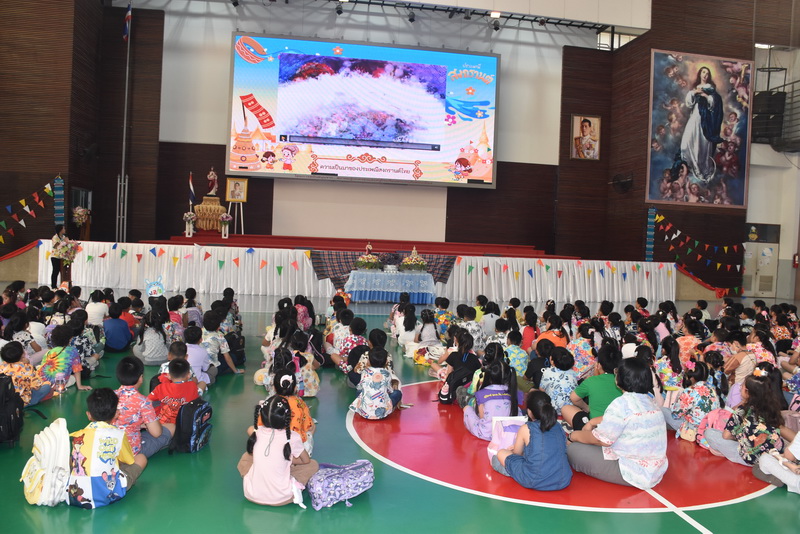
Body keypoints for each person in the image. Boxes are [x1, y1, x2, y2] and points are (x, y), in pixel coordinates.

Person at [567, 358, 668, 489]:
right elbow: (622, 418)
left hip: (632, 471)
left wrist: (573, 436)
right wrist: (592, 422)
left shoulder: (621, 403)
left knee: (574, 449)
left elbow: (600, 440)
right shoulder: (650, 400)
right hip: (656, 469)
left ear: (620, 379)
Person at [67, 388, 148, 509]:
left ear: (88, 415)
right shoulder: (119, 434)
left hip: (75, 494)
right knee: (141, 458)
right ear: (116, 414)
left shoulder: (78, 435)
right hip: (108, 494)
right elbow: (129, 461)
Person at [238, 395, 319, 507]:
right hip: (282, 498)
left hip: (251, 494)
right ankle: (294, 486)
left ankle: (258, 480)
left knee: (246, 457)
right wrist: (288, 459)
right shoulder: (293, 436)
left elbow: (250, 429)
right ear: (288, 418)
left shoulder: (257, 432)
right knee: (313, 465)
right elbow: (306, 460)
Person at [492, 390, 572, 491]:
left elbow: (516, 454)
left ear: (529, 412)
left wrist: (514, 449)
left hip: (534, 480)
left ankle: (511, 472)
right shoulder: (558, 426)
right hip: (563, 479)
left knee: (500, 454)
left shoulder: (526, 428)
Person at [705, 368, 785, 466]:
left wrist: (739, 437)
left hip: (752, 458)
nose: (740, 388)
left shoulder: (742, 410)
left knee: (710, 433)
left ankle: (727, 453)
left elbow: (726, 436)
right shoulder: (773, 407)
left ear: (747, 392)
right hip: (773, 452)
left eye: (742, 386)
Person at [114, 357, 168, 458]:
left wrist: (139, 425)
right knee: (171, 428)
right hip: (131, 451)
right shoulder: (143, 401)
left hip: (110, 448)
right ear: (140, 378)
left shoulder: (110, 396)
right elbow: (156, 433)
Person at [561, 343, 622, 430]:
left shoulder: (591, 381)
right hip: (620, 426)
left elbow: (573, 398)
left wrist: (587, 408)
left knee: (566, 408)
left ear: (599, 365)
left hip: (595, 428)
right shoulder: (624, 380)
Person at [680, 65, 724, 183]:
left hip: (706, 119)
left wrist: (706, 96)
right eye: (703, 72)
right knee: (687, 143)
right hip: (695, 116)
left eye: (707, 73)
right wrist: (694, 92)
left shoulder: (710, 88)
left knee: (703, 144)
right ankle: (693, 165)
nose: (705, 75)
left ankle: (702, 169)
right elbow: (689, 103)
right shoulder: (696, 88)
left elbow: (715, 102)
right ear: (700, 74)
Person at [662, 359, 721, 442]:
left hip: (692, 429)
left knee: (663, 410)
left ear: (692, 378)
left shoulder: (690, 391)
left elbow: (676, 414)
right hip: (707, 427)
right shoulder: (712, 390)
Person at [461, 358, 518, 441]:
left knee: (467, 408)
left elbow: (481, 416)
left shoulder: (482, 393)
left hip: (486, 434)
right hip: (508, 433)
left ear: (489, 376)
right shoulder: (513, 392)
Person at [147, 358, 200, 435]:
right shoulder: (193, 386)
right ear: (189, 375)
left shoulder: (161, 388)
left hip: (163, 425)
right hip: (184, 424)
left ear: (168, 376)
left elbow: (148, 401)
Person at [350, 348, 402, 420]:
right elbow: (389, 390)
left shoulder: (365, 372)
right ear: (386, 362)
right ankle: (389, 408)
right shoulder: (387, 374)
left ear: (368, 361)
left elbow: (360, 387)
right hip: (382, 413)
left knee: (359, 391)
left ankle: (364, 408)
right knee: (397, 393)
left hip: (364, 413)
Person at [37, 324, 91, 391]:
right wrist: (80, 386)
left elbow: (42, 367)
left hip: (43, 382)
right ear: (70, 339)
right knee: (74, 377)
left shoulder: (49, 352)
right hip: (58, 384)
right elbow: (77, 369)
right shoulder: (72, 351)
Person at [0, 341, 51, 406]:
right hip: (20, 402)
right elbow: (37, 386)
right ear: (22, 354)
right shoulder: (26, 367)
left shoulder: (2, 366)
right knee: (46, 387)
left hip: (4, 400)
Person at [539, 347, 578, 412]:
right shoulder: (573, 373)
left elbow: (542, 389)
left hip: (554, 409)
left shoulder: (548, 372)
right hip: (571, 409)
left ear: (552, 360)